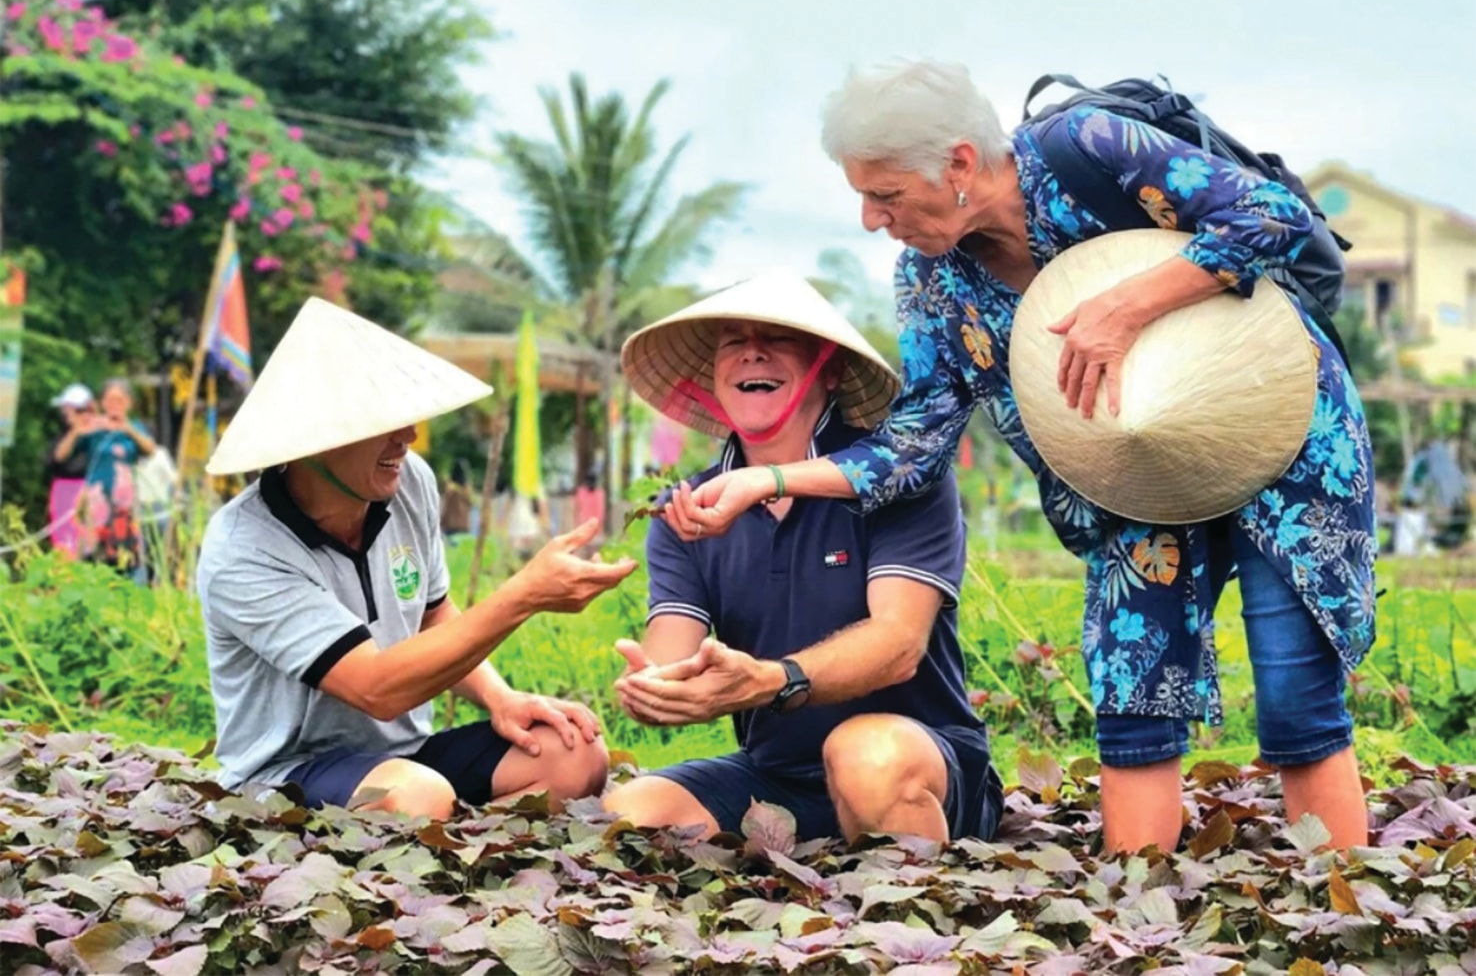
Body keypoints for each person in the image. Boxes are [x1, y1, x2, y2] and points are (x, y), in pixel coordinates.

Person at [662, 62, 1377, 854]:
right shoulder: (934, 279)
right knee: (1131, 678)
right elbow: (913, 445)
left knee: (1293, 683)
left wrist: (1124, 305)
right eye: (863, 197)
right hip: (1130, 472)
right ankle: (1140, 902)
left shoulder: (1087, 147)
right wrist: (762, 479)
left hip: (1273, 423)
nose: (870, 218)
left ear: (961, 163)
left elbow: (1268, 215)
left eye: (887, 195)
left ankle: (1338, 906)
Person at [604, 271, 1004, 845]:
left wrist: (774, 680)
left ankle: (908, 915)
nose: (753, 353)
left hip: (916, 759)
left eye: (779, 338)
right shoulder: (686, 510)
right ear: (713, 378)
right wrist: (657, 688)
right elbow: (671, 654)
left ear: (832, 369)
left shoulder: (901, 480)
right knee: (631, 812)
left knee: (864, 755)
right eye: (733, 341)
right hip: (778, 775)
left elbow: (899, 647)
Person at [198, 297, 636, 819]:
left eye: (405, 418)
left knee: (575, 754)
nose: (406, 437)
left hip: (406, 755)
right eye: (383, 423)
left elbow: (433, 616)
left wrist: (501, 698)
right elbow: (375, 688)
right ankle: (444, 828)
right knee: (415, 797)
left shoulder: (409, 484)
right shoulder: (243, 548)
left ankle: (452, 839)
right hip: (287, 772)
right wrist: (523, 596)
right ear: (314, 441)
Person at [54, 377, 157, 577]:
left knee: (126, 557)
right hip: (97, 503)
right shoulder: (94, 428)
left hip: (124, 506)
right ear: (102, 403)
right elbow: (60, 456)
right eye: (110, 400)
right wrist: (77, 431)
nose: (114, 406)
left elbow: (151, 450)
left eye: (119, 401)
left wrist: (127, 429)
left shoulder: (134, 428)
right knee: (94, 556)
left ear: (128, 403)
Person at [44, 382, 95, 560]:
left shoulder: (97, 435)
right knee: (65, 545)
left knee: (89, 545)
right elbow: (57, 457)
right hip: (65, 492)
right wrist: (75, 431)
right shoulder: (64, 436)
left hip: (91, 491)